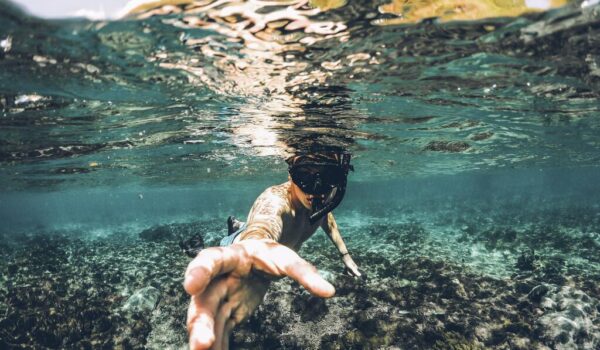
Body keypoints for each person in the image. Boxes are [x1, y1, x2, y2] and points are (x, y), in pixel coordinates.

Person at [184, 151, 361, 350]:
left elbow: (326, 219)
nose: (316, 188)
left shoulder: (319, 201)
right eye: (304, 176)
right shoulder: (276, 200)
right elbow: (263, 225)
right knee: (220, 258)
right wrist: (253, 244)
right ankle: (202, 246)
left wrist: (345, 256)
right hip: (243, 250)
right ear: (290, 176)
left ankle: (238, 226)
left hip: (270, 255)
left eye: (328, 176)